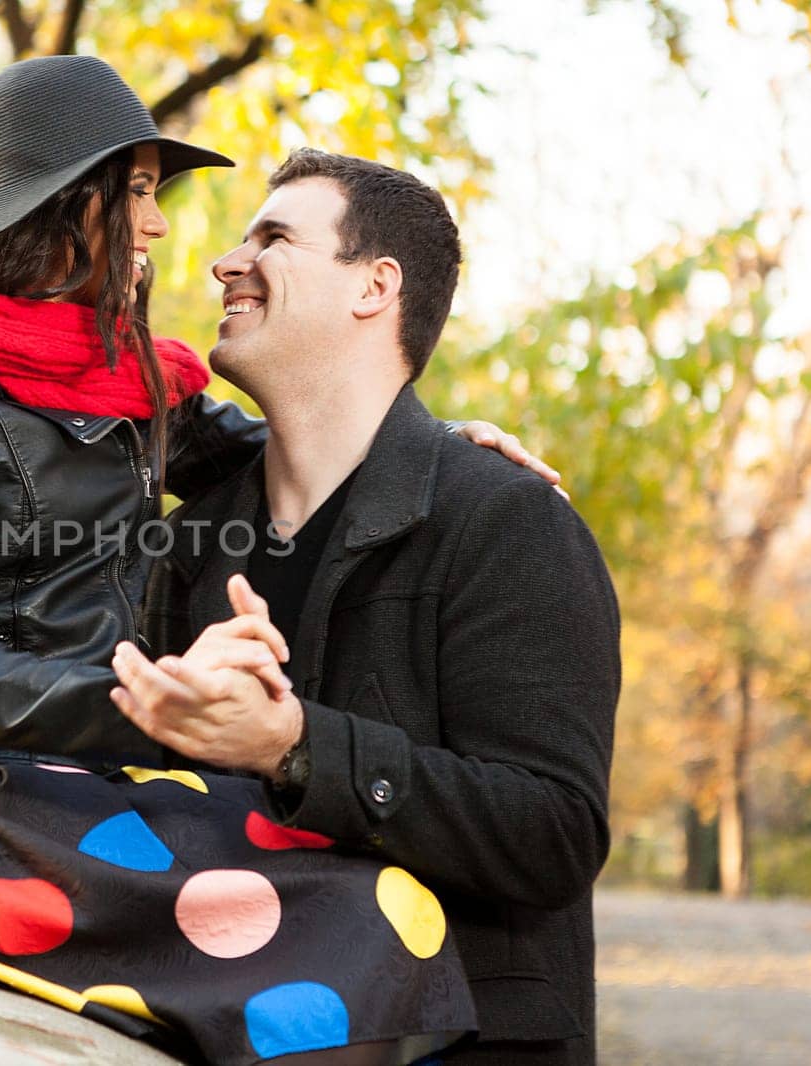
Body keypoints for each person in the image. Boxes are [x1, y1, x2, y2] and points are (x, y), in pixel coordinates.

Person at [0, 55, 554, 1066]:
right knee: (352, 929)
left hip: (101, 787)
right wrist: (150, 700)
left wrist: (443, 450)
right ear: (57, 204)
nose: (158, 223)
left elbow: (291, 452)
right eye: (133, 192)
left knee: (390, 900)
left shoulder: (130, 385)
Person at [113, 150, 622, 1065]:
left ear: (375, 287)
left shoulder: (503, 519)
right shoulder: (187, 544)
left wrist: (294, 745)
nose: (226, 263)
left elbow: (553, 831)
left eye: (272, 238)